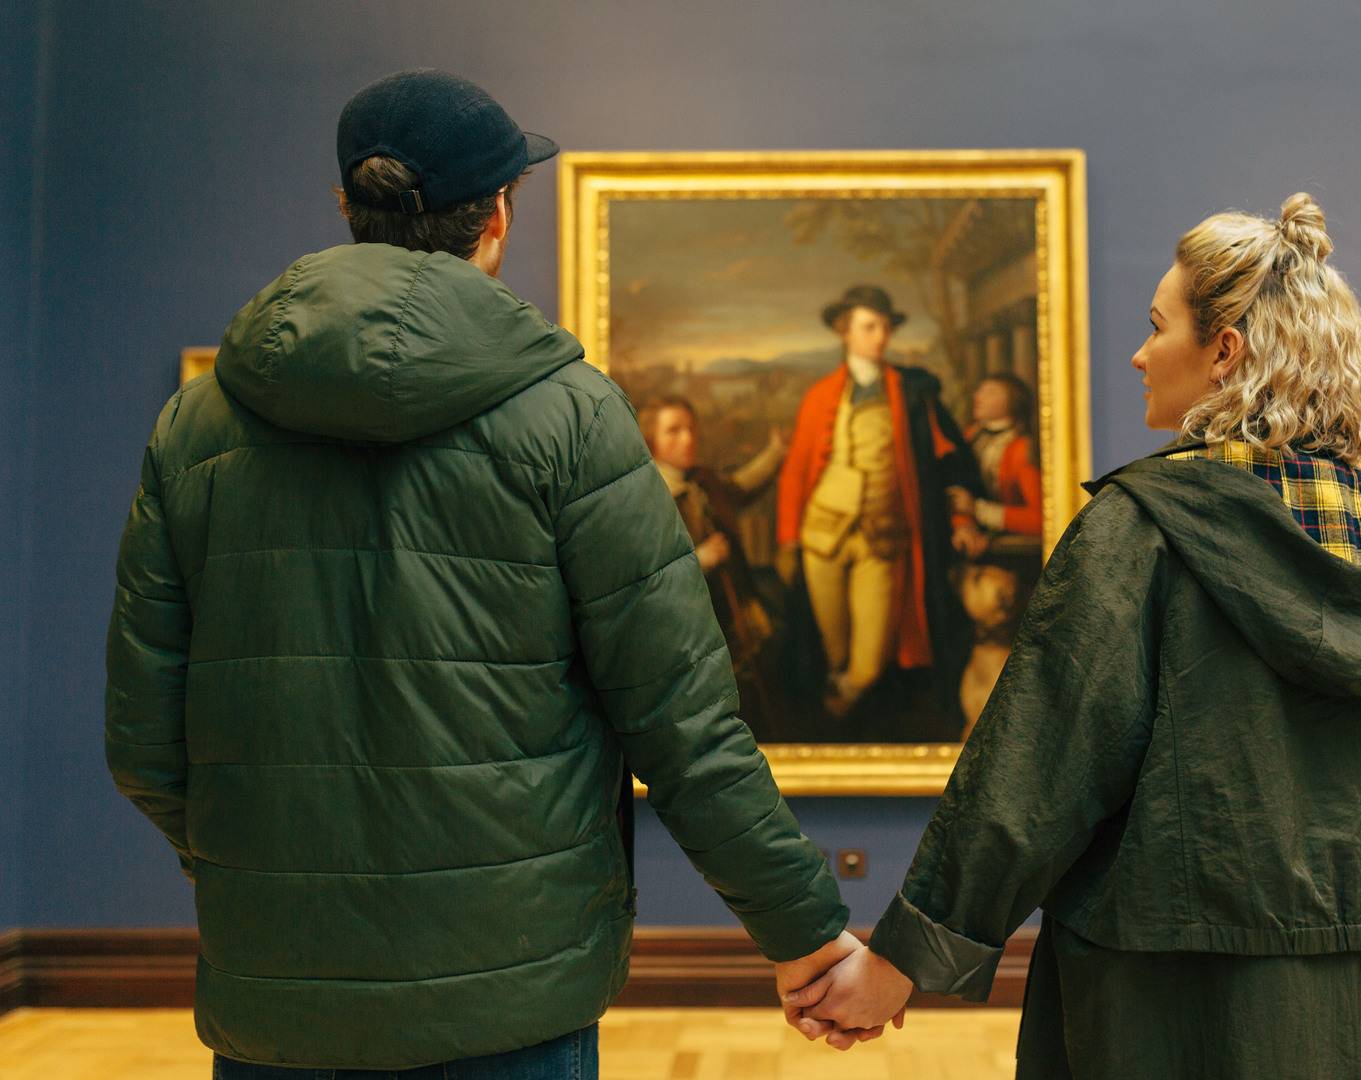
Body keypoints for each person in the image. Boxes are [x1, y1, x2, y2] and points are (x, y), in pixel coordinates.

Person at [104, 68, 864, 1078]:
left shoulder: (200, 423)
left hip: (279, 994)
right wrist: (807, 935)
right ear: (498, 215)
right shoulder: (573, 416)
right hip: (517, 995)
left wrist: (268, 873)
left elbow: (144, 745)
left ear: (348, 207)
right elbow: (682, 724)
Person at [787, 194, 1361, 1077]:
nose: (1141, 354)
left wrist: (904, 960)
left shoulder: (1140, 531)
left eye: (1157, 327)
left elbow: (1033, 769)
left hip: (1184, 1008)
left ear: (1224, 351)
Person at [775, 285, 978, 717]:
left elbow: (949, 459)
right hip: (822, 536)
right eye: (870, 327)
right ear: (844, 332)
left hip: (885, 539)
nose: (881, 337)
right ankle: (839, 732)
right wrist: (789, 538)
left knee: (868, 665)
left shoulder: (912, 392)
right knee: (830, 651)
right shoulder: (820, 395)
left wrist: (961, 515)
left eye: (886, 327)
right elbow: (795, 471)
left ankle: (845, 704)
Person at [641, 395, 789, 738]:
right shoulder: (647, 495)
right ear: (651, 439)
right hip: (687, 621)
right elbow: (646, 574)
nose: (687, 438)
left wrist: (775, 453)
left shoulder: (702, 480)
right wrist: (700, 559)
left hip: (730, 603)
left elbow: (740, 486)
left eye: (690, 429)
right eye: (673, 431)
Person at [948, 373, 1043, 542]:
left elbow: (1041, 518)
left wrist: (978, 510)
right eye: (980, 391)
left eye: (991, 392)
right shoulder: (971, 436)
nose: (978, 397)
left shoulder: (1022, 448)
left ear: (1014, 400)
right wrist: (964, 523)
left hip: (1012, 543)